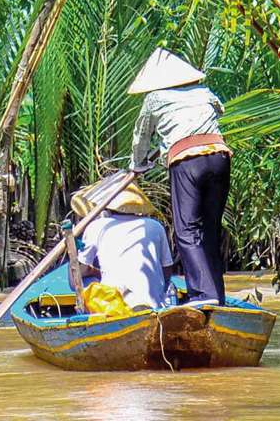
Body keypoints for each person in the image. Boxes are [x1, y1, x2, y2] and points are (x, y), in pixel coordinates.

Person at [127, 47, 230, 305]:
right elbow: (219, 111)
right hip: (219, 156)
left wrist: (137, 164)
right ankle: (217, 296)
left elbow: (141, 136)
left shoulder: (154, 98)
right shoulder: (203, 92)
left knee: (187, 231)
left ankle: (203, 296)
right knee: (210, 230)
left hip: (188, 161)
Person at [71, 179, 174, 309]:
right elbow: (167, 268)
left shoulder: (98, 226)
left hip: (116, 306)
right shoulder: (155, 225)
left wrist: (74, 253)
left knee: (82, 279)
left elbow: (78, 274)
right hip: (154, 303)